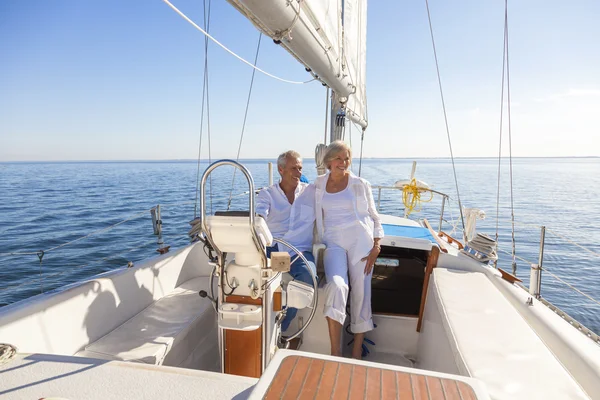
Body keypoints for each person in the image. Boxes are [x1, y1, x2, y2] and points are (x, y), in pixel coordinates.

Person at [314, 140, 384, 359]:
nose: (343, 163)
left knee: (362, 293)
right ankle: (335, 351)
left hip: (361, 242)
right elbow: (299, 203)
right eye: (338, 158)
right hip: (333, 241)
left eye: (346, 159)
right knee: (336, 285)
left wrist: (377, 245)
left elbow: (374, 216)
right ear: (328, 161)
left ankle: (355, 352)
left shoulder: (360, 184)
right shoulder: (317, 185)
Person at [256, 150, 316, 334]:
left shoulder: (310, 193)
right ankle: (257, 324)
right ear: (281, 170)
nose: (298, 173)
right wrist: (259, 221)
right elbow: (259, 218)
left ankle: (280, 326)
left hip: (299, 251)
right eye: (293, 169)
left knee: (309, 279)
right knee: (252, 279)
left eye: (300, 168)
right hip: (273, 249)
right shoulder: (267, 194)